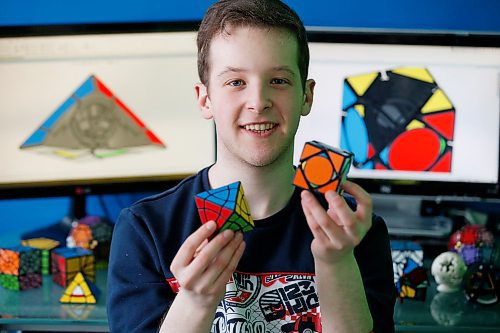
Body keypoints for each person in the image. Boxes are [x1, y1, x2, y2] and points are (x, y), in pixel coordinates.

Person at [107, 0, 396, 332]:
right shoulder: (146, 229)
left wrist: (337, 265)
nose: (258, 102)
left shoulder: (355, 231)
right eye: (236, 82)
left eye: (278, 80)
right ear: (205, 99)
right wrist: (196, 302)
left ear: (306, 95)